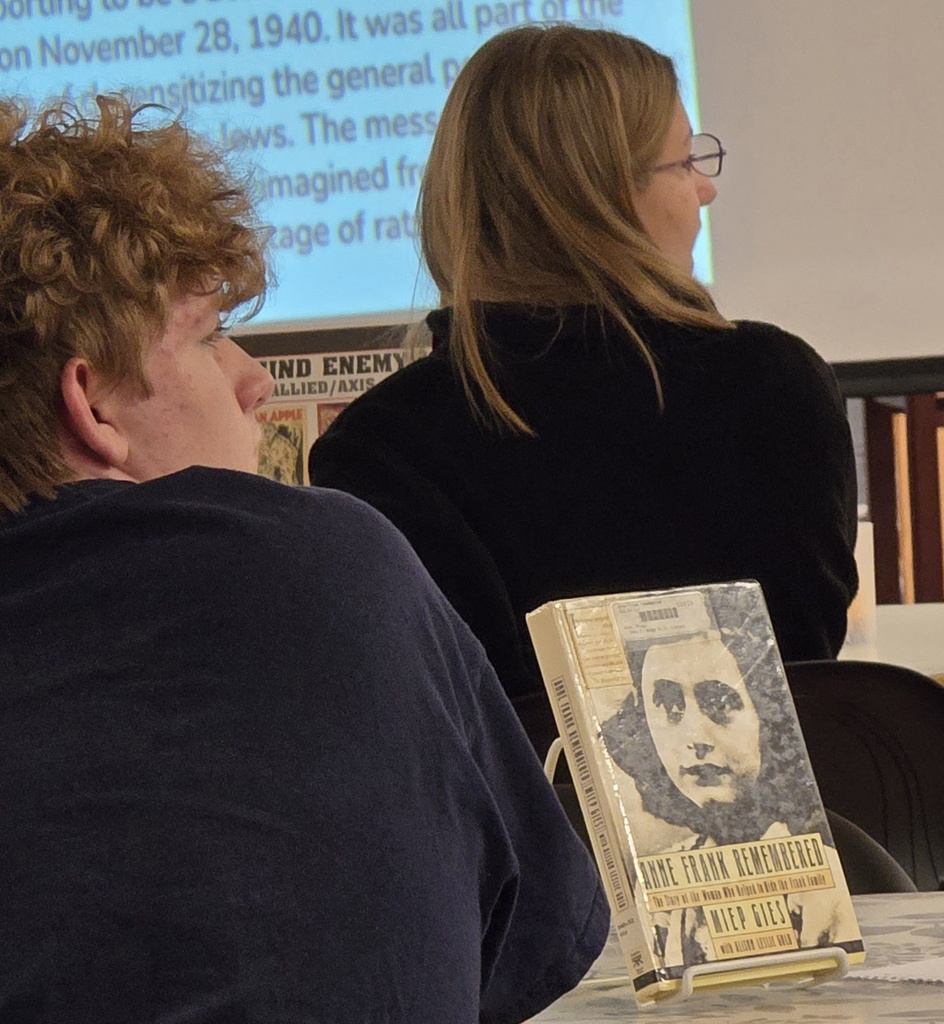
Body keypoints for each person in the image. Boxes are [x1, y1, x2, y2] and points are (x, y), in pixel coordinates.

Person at [0, 95, 608, 1023]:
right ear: (93, 404)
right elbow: (525, 942)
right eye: (207, 335)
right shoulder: (326, 562)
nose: (256, 377)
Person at [307, 23, 859, 761]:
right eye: (685, 161)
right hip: (777, 858)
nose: (706, 186)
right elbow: (805, 673)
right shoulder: (777, 384)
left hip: (518, 868)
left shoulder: (379, 444)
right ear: (601, 198)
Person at [600, 589, 857, 968]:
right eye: (670, 707)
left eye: (720, 703)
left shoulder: (819, 883)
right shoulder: (661, 882)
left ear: (766, 716)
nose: (695, 738)